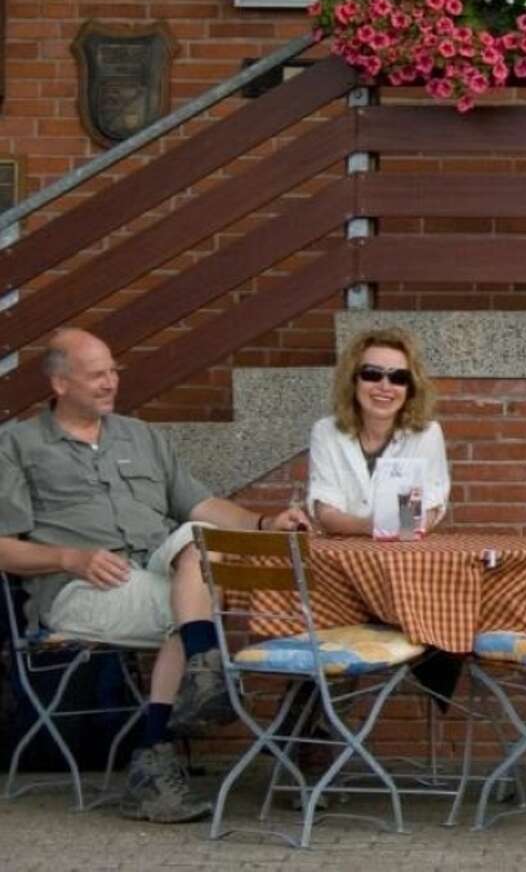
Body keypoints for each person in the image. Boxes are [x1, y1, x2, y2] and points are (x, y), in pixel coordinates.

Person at [0, 328, 307, 823]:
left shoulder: (141, 436)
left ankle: (173, 719)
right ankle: (192, 691)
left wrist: (265, 524)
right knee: (192, 608)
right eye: (96, 374)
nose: (110, 382)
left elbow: (200, 506)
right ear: (59, 384)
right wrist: (69, 559)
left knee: (203, 544)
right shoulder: (17, 445)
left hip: (156, 568)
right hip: (82, 586)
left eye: (113, 371)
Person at [306, 327, 449, 536]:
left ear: (410, 387)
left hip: (403, 557)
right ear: (353, 380)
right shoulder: (325, 432)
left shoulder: (427, 434)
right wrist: (377, 527)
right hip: (342, 557)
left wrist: (393, 526)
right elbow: (326, 512)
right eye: (372, 374)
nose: (385, 386)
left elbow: (429, 510)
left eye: (398, 377)